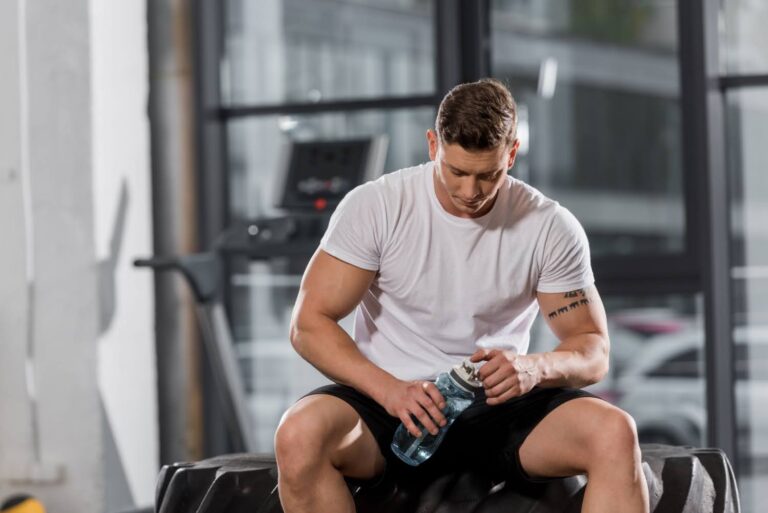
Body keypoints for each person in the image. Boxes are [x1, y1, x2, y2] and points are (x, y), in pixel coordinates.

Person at [274, 78, 649, 513]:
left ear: (511, 154)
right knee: (299, 434)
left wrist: (533, 368)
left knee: (614, 433)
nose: (471, 192)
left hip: (500, 408)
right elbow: (309, 324)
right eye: (457, 172)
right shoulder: (377, 207)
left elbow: (593, 348)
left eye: (488, 175)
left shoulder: (548, 226)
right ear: (433, 145)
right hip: (390, 406)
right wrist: (391, 391)